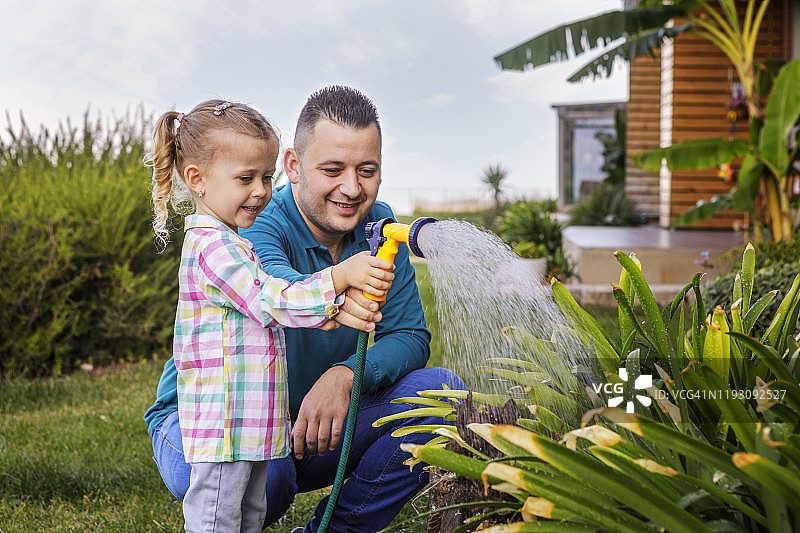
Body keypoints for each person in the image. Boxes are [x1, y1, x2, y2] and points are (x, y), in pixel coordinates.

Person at [145, 87, 464, 532]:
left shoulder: (380, 227)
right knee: (265, 474)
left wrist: (347, 376)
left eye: (367, 170)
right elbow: (277, 295)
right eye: (332, 169)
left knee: (442, 396)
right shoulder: (248, 226)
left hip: (300, 425)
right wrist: (340, 284)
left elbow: (409, 336)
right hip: (213, 420)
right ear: (293, 167)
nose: (352, 188)